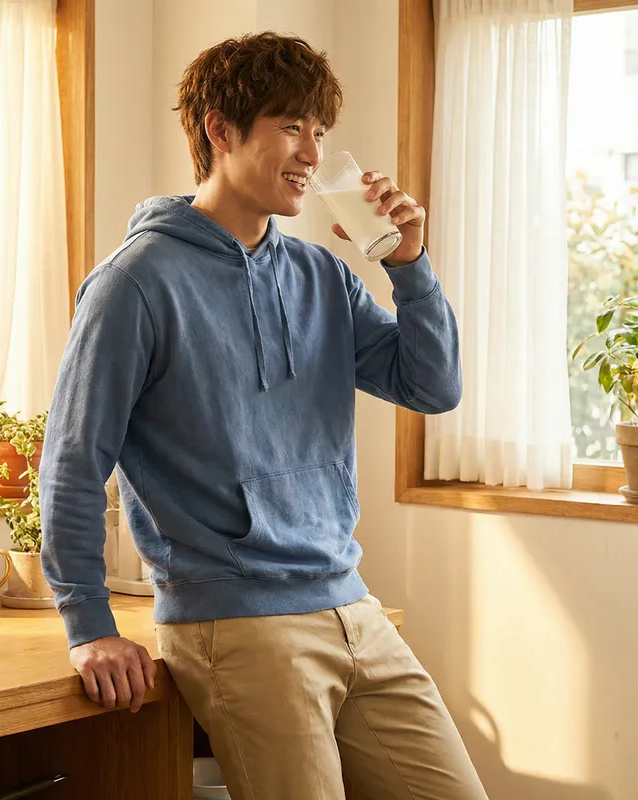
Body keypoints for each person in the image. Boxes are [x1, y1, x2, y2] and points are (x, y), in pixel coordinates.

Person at [40, 31, 487, 800]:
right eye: (291, 127)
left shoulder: (319, 274)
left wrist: (407, 264)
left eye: (319, 131)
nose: (313, 152)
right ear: (220, 131)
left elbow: (432, 385)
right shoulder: (133, 285)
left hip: (353, 604)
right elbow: (73, 464)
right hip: (237, 625)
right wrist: (90, 626)